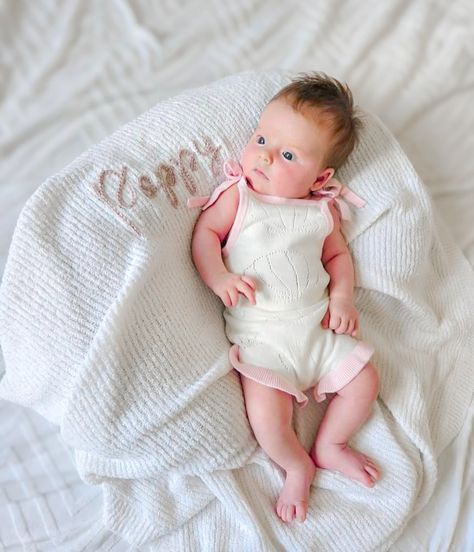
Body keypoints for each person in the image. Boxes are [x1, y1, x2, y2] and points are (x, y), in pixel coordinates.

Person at [190, 73, 380, 524]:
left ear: (321, 176)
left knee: (365, 381)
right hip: (264, 342)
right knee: (266, 417)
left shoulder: (320, 212)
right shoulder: (239, 199)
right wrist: (218, 277)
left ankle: (331, 445)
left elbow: (338, 258)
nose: (264, 156)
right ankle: (297, 464)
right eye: (261, 138)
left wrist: (342, 301)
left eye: (288, 154)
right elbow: (205, 235)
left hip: (317, 329)